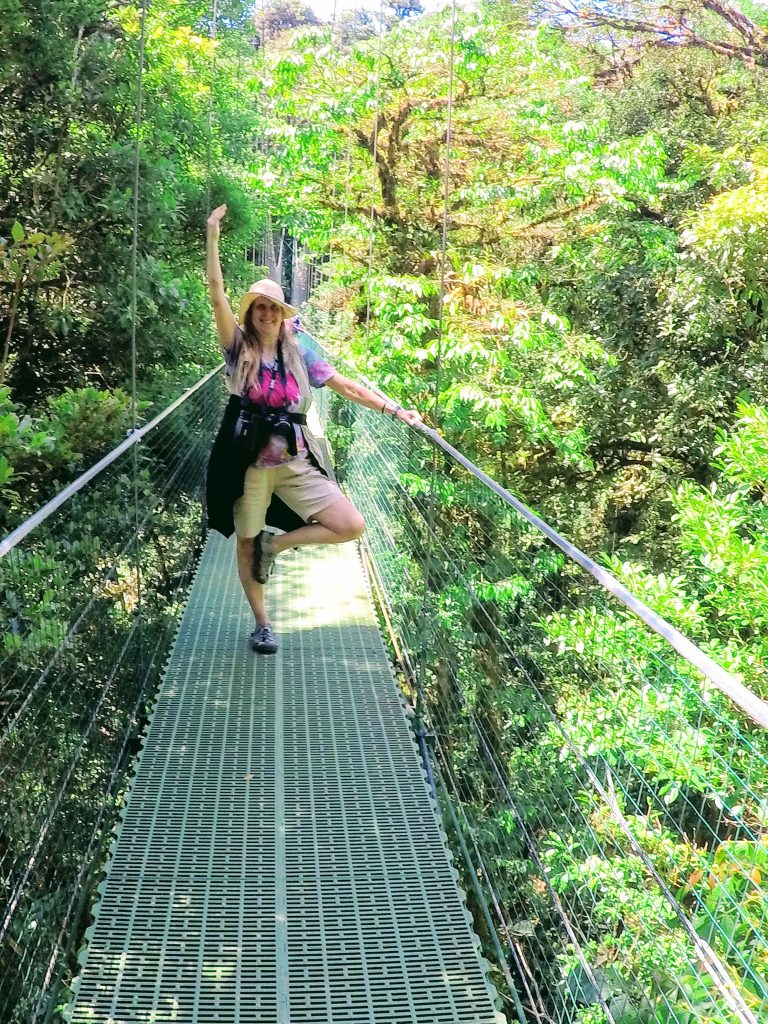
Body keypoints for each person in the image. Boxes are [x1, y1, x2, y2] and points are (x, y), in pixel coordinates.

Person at [205, 204, 422, 654]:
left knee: (349, 524)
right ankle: (262, 623)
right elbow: (215, 293)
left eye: (273, 308)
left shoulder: (300, 350)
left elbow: (342, 384)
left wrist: (393, 409)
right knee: (244, 544)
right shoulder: (238, 347)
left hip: (294, 459)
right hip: (249, 465)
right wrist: (212, 236)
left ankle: (277, 544)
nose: (265, 314)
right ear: (250, 313)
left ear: (284, 314)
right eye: (259, 307)